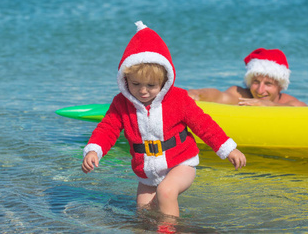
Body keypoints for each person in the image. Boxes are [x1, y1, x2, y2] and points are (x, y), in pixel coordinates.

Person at [82, 21, 246, 220]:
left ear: (164, 80)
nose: (143, 91)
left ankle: (170, 230)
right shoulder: (121, 103)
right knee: (143, 211)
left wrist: (228, 149)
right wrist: (94, 150)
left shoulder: (178, 99)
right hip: (146, 170)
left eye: (151, 85)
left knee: (166, 191)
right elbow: (108, 128)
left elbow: (204, 125)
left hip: (181, 162)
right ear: (125, 80)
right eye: (136, 84)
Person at [188, 48, 307, 107]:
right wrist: (198, 93)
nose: (260, 90)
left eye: (268, 84)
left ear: (280, 86)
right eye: (256, 82)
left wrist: (268, 105)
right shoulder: (243, 96)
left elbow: (300, 108)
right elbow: (220, 96)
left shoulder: (288, 102)